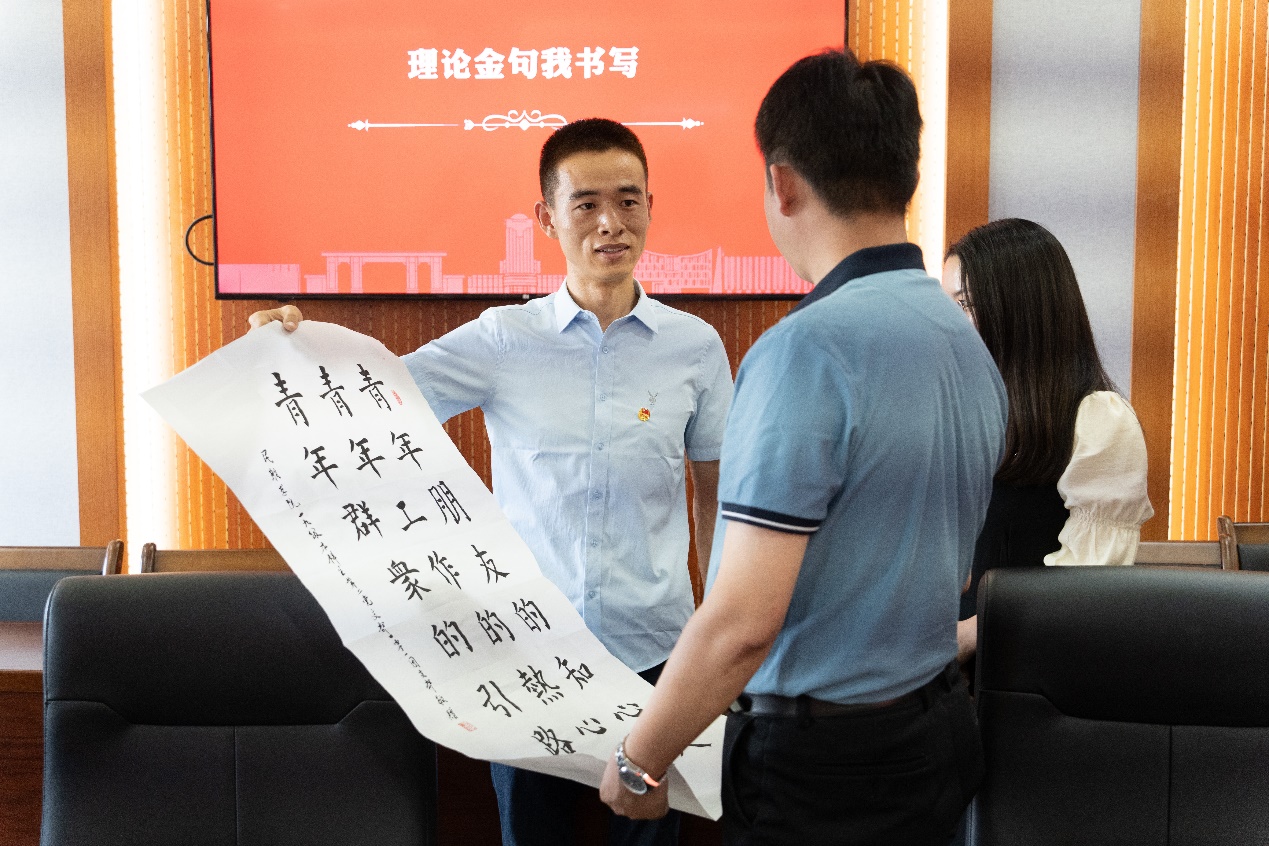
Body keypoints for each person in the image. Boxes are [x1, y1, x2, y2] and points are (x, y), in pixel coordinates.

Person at [250, 118, 733, 846]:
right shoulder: (503, 339)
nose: (610, 223)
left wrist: (714, 637)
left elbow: (715, 498)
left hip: (657, 654)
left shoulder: (694, 347)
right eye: (586, 204)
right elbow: (373, 395)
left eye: (628, 201)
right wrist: (288, 346)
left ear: (649, 208)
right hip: (528, 651)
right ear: (547, 218)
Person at [599, 50, 1007, 845]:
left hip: (824, 773)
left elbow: (743, 622)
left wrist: (640, 760)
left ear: (781, 184)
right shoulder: (962, 340)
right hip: (934, 734)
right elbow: (950, 567)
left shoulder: (805, 351)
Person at [941, 217, 1153, 664]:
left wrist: (962, 638)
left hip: (1030, 674)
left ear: (1020, 309)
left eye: (965, 304)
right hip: (946, 668)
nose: (948, 323)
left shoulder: (1099, 420)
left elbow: (1082, 591)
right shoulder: (968, 412)